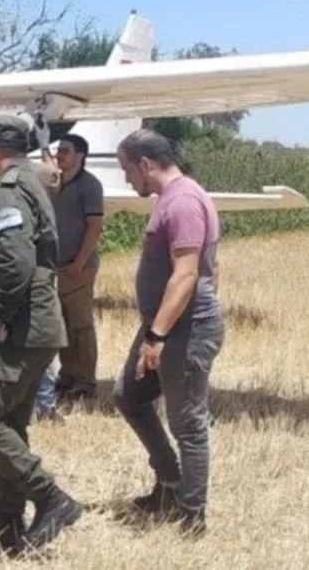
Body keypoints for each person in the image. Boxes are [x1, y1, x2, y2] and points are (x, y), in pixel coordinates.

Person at [0, 116, 80, 555]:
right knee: (9, 424)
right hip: (37, 326)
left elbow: (16, 262)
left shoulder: (9, 190)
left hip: (20, 329)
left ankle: (51, 498)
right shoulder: (29, 182)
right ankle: (7, 528)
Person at [111, 128, 223, 538]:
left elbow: (187, 273)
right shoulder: (170, 199)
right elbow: (212, 268)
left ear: (145, 164)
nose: (128, 180)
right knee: (129, 395)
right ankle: (170, 482)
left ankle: (192, 516)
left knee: (188, 425)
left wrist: (157, 336)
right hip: (165, 324)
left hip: (182, 330)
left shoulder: (183, 201)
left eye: (128, 170)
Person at [50, 133, 104, 402]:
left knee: (81, 326)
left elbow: (95, 227)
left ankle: (85, 382)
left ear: (80, 156)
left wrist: (79, 264)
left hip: (78, 268)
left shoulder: (90, 185)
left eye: (65, 151)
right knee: (62, 324)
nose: (59, 155)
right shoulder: (55, 184)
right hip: (57, 267)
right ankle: (67, 376)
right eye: (58, 150)